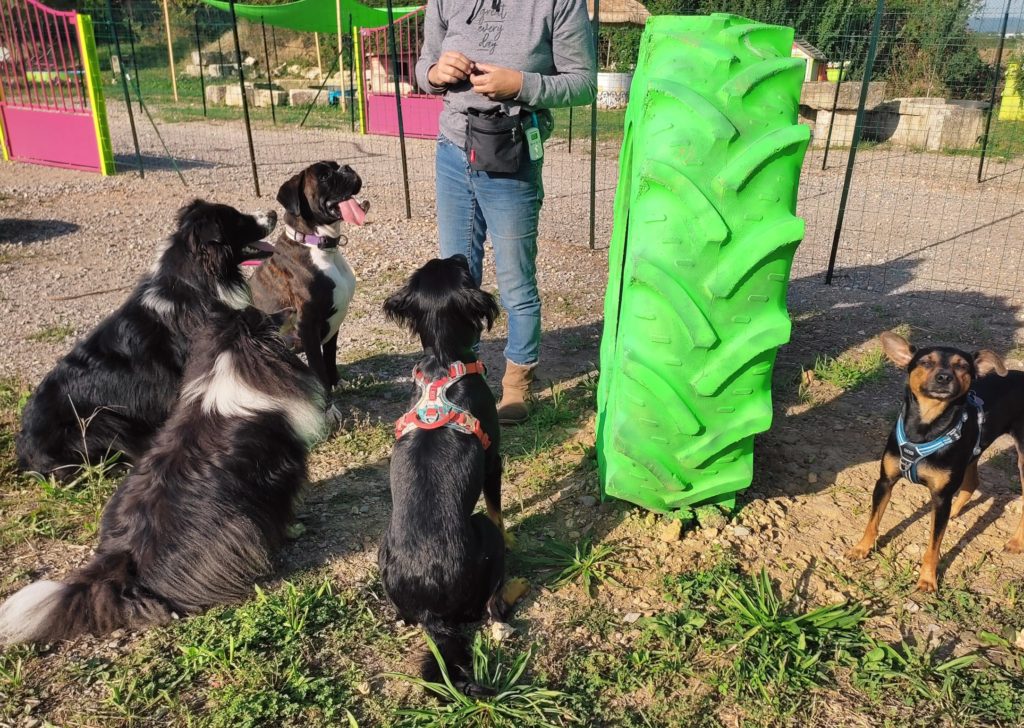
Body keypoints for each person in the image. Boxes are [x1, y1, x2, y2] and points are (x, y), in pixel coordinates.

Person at [415, 0, 597, 425]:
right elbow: (425, 65)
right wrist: (435, 74)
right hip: (453, 152)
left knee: (516, 279)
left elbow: (584, 83)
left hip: (512, 152)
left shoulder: (558, 4)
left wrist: (520, 83)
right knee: (456, 276)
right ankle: (462, 375)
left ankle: (517, 383)